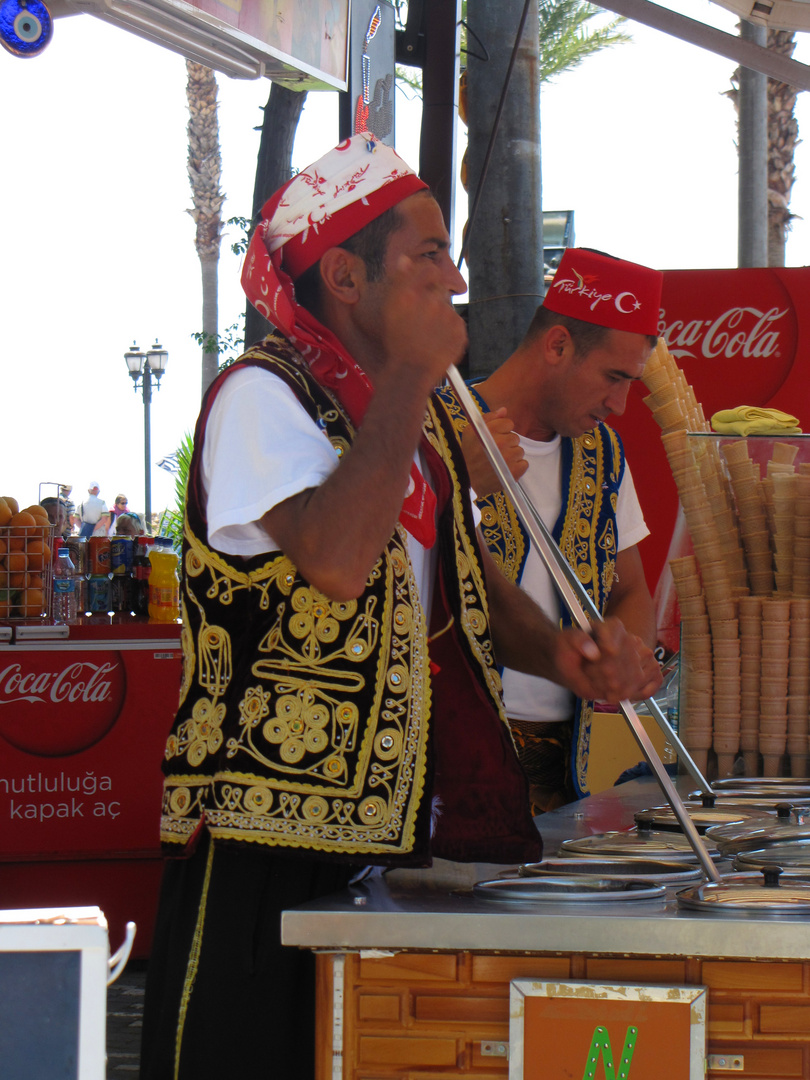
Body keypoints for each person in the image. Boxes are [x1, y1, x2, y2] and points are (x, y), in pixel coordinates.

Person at [139, 136, 661, 1080]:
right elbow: (338, 559)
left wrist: (564, 655)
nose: (455, 280)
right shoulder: (266, 395)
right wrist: (416, 380)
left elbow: (459, 586)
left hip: (379, 845)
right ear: (344, 274)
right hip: (261, 849)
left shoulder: (392, 420)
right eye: (428, 256)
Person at [436, 247, 660, 813]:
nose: (621, 403)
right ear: (557, 345)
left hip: (564, 778)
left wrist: (625, 654)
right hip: (444, 764)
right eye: (613, 377)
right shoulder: (434, 427)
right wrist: (457, 480)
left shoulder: (604, 453)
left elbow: (629, 588)